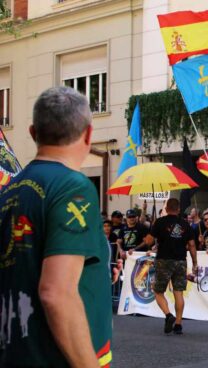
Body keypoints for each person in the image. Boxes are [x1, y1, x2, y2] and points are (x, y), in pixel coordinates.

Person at [0, 87, 114, 366]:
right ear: (88, 134)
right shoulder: (73, 187)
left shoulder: (10, 191)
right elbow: (56, 292)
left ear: (32, 132)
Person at [144, 198, 197, 335]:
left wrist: (151, 233)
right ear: (179, 209)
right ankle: (178, 324)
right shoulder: (185, 224)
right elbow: (191, 245)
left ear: (166, 209)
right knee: (178, 292)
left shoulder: (160, 222)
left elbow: (149, 241)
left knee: (158, 291)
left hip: (164, 260)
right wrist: (195, 262)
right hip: (181, 261)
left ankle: (168, 315)